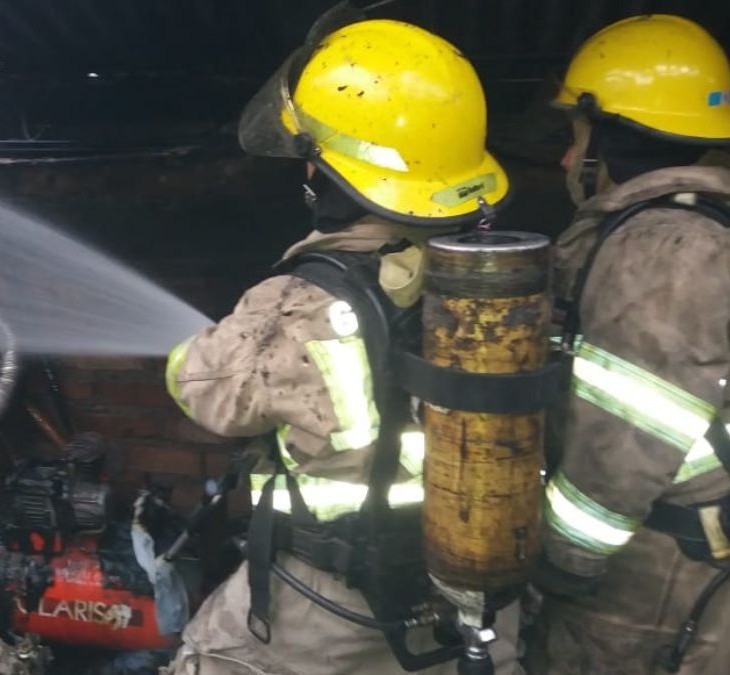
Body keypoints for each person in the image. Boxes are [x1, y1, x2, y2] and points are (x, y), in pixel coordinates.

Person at [159, 13, 524, 675]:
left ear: (327, 172)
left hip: (337, 607)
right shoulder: (497, 278)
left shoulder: (302, 299)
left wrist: (187, 354)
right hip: (480, 599)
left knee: (209, 654)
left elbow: (209, 393)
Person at [527, 14, 730, 675]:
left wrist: (561, 559)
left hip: (659, 576)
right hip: (697, 549)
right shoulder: (701, 233)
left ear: (613, 137)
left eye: (577, 136)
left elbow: (627, 437)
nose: (568, 159)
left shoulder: (665, 253)